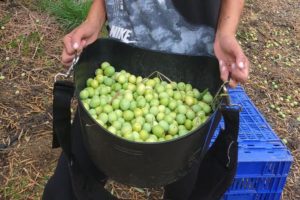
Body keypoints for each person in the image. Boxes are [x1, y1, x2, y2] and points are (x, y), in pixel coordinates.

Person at [44, 0, 249, 199]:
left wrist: (226, 32)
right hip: (119, 67)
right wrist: (95, 19)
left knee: (185, 187)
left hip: (194, 72)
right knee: (65, 190)